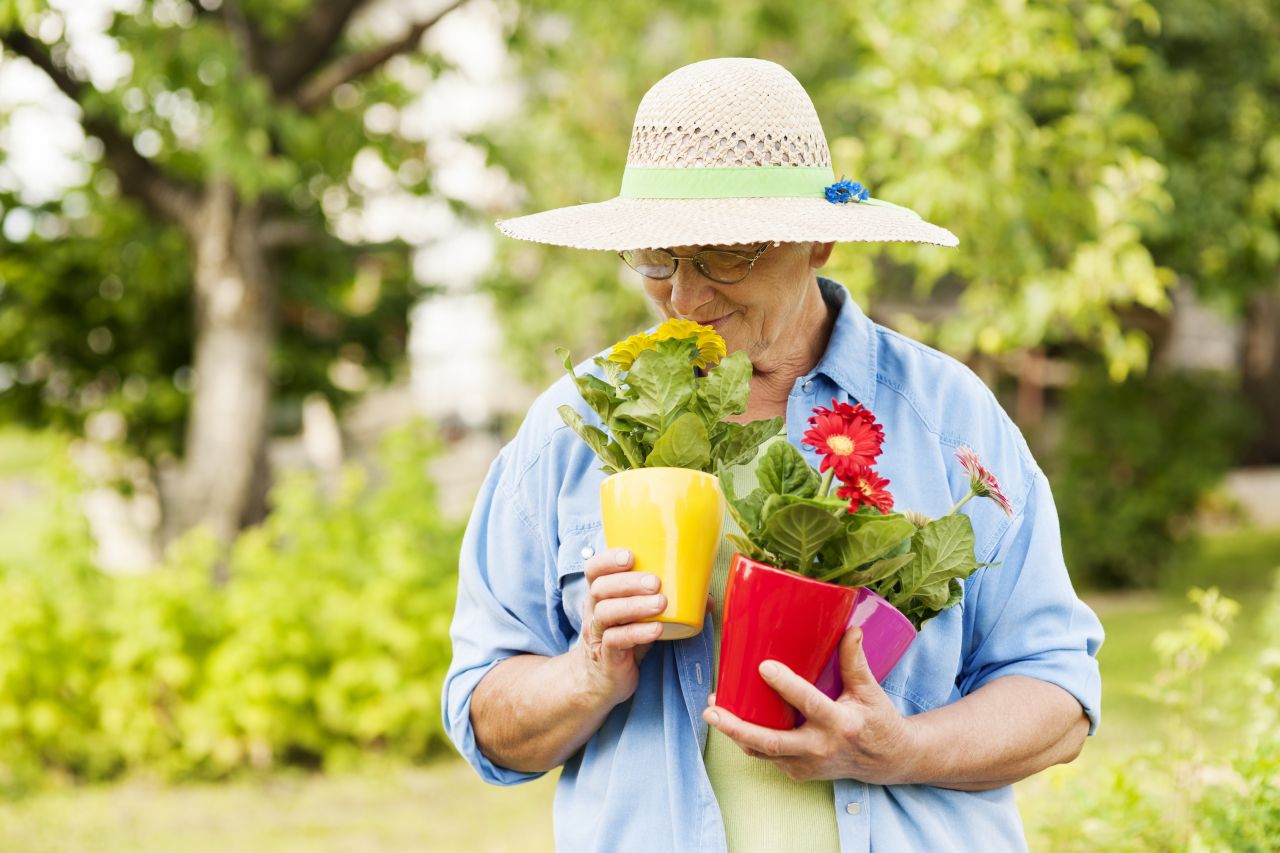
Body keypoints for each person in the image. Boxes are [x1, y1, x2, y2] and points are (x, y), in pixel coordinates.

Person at [443, 58, 1103, 852]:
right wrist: (583, 674)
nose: (685, 298)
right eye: (659, 258)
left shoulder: (947, 419)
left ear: (820, 238)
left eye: (724, 254)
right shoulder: (573, 429)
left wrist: (900, 750)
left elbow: (1057, 693)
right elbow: (485, 716)